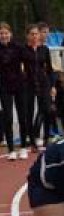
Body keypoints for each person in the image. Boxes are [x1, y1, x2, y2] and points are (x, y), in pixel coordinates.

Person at [22, 24, 55, 152]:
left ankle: (47, 138)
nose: (35, 36)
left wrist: (52, 85)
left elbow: (50, 69)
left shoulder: (44, 49)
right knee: (29, 113)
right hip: (28, 84)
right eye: (32, 34)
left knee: (47, 110)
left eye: (36, 34)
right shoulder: (23, 50)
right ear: (27, 36)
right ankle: (33, 141)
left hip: (43, 83)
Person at [0, 22, 28, 160]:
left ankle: (23, 147)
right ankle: (11, 149)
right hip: (4, 86)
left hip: (19, 85)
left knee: (22, 117)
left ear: (10, 34)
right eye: (1, 33)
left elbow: (28, 60)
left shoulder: (18, 47)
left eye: (6, 33)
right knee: (8, 118)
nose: (4, 35)